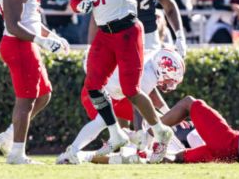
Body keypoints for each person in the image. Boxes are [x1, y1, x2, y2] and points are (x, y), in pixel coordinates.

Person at [69, 0, 174, 163]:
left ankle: (160, 130)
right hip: (105, 33)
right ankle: (116, 133)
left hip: (127, 30)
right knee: (93, 87)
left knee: (131, 89)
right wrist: (78, 4)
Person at [0, 0, 69, 165]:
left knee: (44, 94)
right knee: (25, 100)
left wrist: (50, 36)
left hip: (24, 41)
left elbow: (31, 20)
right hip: (18, 43)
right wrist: (41, 42)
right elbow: (14, 24)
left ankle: (9, 135)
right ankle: (17, 153)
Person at [56, 48, 185, 164]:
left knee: (146, 117)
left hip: (114, 92)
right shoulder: (148, 74)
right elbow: (138, 105)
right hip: (101, 90)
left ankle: (72, 153)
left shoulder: (151, 62)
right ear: (164, 68)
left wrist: (166, 111)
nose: (169, 84)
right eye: (170, 80)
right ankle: (73, 152)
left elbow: (150, 96)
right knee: (103, 122)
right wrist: (139, 133)